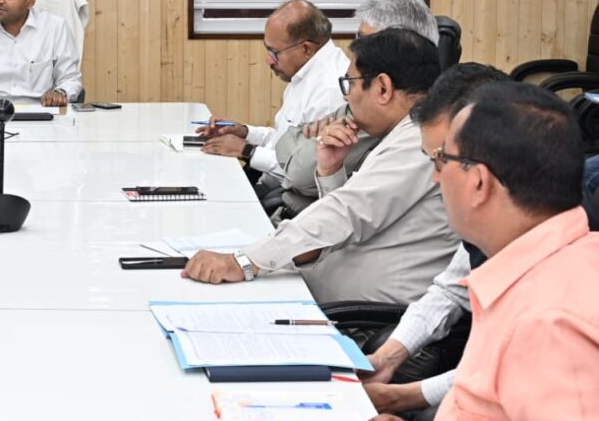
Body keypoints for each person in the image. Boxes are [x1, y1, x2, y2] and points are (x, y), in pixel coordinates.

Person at [184, 29, 458, 305]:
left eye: (349, 84)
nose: (346, 98)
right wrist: (331, 171)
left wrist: (244, 262)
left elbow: (347, 213)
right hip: (325, 294)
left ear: (383, 88)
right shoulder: (404, 132)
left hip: (361, 316)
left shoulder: (418, 141)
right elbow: (352, 216)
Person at [377, 82, 599, 421]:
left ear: (479, 182)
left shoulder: (550, 323)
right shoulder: (531, 266)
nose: (435, 178)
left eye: (441, 161)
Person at [355, 63, 508, 417]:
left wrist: (401, 398)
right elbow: (452, 289)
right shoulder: (488, 222)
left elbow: (511, 371)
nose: (436, 178)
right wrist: (387, 358)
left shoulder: (555, 266)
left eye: (440, 161)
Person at [272, 0, 440, 216]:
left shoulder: (400, 131)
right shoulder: (370, 105)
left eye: (367, 42)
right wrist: (328, 169)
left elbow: (298, 175)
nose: (357, 49)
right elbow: (287, 140)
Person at [197, 0, 348, 188]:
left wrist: (247, 151)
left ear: (307, 49)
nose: (269, 60)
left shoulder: (329, 91)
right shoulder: (306, 72)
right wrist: (244, 132)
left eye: (274, 52)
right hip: (271, 186)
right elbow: (282, 141)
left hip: (287, 197)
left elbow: (305, 174)